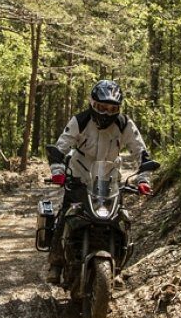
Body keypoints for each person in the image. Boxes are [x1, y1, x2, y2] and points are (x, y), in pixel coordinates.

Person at [45, 79, 154, 284]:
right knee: (66, 215)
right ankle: (56, 262)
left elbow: (141, 152)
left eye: (112, 108)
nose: (106, 113)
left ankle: (118, 267)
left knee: (121, 221)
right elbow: (61, 147)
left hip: (109, 181)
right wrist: (58, 170)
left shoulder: (124, 124)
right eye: (102, 107)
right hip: (79, 177)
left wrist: (143, 179)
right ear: (92, 104)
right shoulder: (80, 121)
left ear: (118, 108)